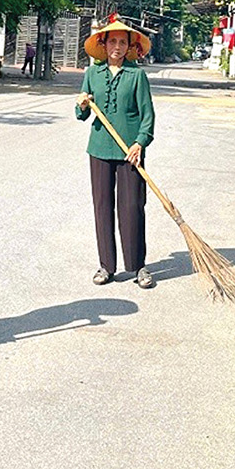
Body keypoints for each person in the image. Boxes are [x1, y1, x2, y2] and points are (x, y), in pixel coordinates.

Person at [75, 19, 158, 288]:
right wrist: (82, 104)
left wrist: (140, 143)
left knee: (132, 207)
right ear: (103, 44)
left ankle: (138, 266)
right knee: (102, 207)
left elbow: (147, 115)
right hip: (99, 148)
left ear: (130, 47)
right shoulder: (92, 74)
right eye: (112, 41)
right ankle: (106, 266)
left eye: (123, 42)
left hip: (129, 150)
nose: (117, 47)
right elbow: (81, 114)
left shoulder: (137, 76)